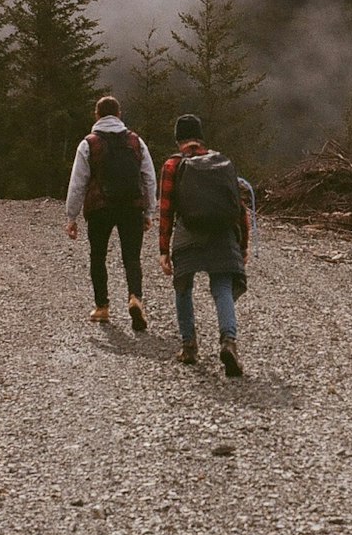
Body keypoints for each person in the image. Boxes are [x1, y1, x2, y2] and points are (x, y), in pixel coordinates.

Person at [158, 113, 249, 376]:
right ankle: (228, 342)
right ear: (200, 137)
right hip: (222, 234)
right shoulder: (222, 162)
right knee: (221, 287)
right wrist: (243, 245)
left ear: (178, 140)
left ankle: (189, 346)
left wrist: (164, 250)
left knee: (183, 288)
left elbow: (165, 210)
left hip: (188, 235)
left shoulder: (173, 165)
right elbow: (239, 208)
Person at [65, 95, 157, 328]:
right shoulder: (136, 141)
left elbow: (78, 182)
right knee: (132, 258)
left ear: (96, 115)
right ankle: (135, 297)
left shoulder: (89, 143)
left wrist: (71, 216)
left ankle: (102, 307)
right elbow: (149, 177)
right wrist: (149, 212)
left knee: (98, 256)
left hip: (100, 208)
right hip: (131, 206)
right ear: (119, 114)